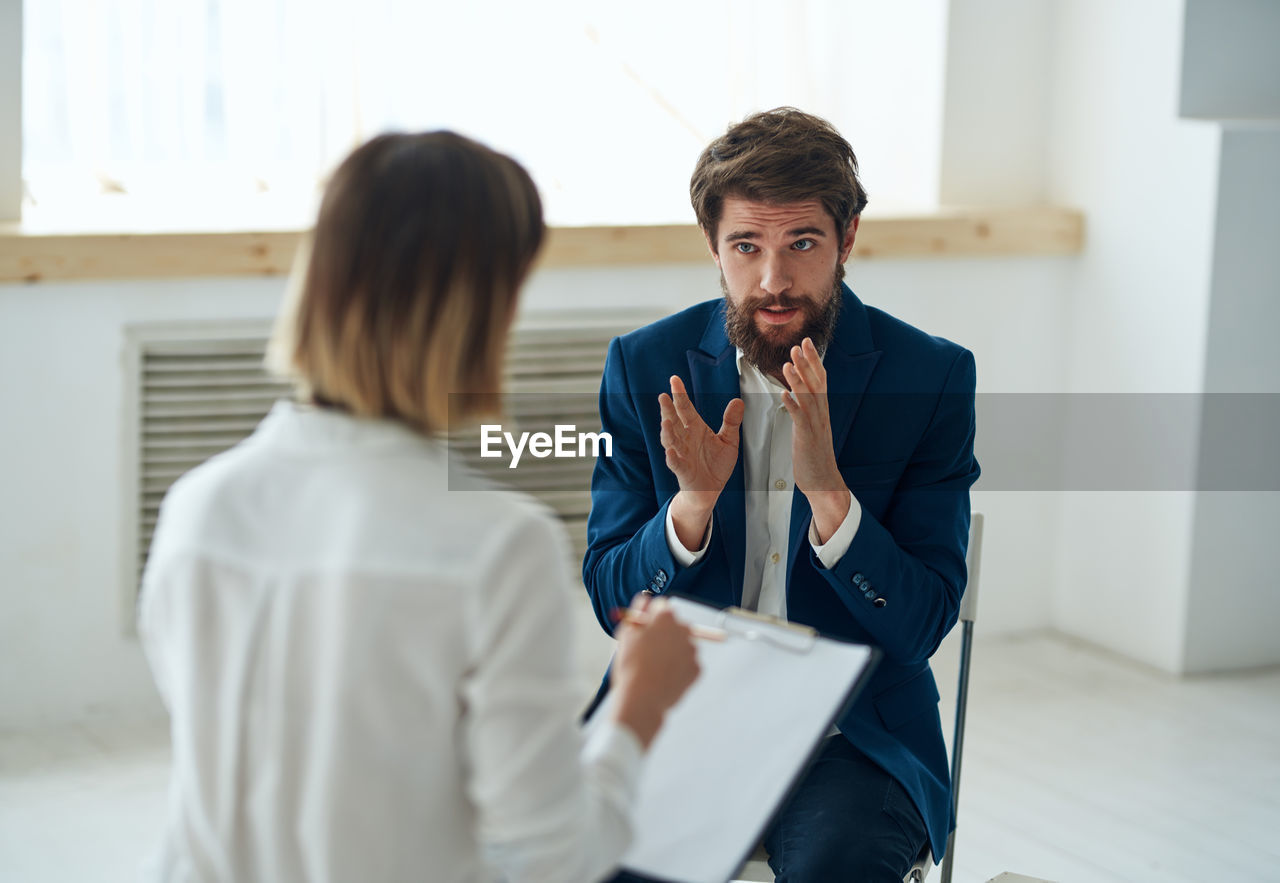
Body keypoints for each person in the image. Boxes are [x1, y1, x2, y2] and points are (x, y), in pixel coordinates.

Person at [138, 131, 700, 883]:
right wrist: (638, 704)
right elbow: (552, 857)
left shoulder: (196, 509)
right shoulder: (499, 547)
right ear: (479, 310)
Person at [583, 108, 980, 882]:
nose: (772, 279)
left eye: (801, 243)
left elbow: (923, 622)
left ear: (848, 239)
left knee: (839, 865)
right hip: (680, 718)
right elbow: (611, 600)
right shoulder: (643, 365)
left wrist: (829, 493)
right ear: (713, 247)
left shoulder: (929, 377)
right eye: (746, 246)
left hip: (852, 735)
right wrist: (688, 509)